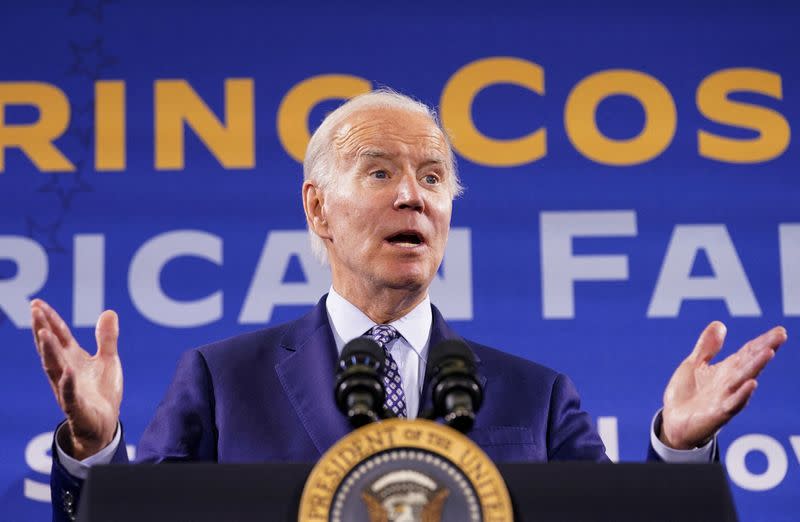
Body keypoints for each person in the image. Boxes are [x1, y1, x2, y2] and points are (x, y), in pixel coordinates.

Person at [31, 89, 788, 521]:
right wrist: (98, 452)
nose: (411, 197)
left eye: (433, 178)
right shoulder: (223, 380)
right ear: (318, 208)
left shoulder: (539, 395)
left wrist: (676, 454)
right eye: (381, 171)